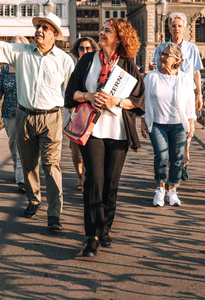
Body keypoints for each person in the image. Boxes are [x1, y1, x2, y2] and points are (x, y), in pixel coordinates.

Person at [0, 9, 74, 233]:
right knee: (29, 164)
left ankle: (54, 213)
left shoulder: (64, 61)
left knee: (51, 167)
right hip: (24, 115)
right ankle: (33, 200)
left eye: (45, 28)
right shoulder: (21, 51)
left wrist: (70, 119)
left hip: (51, 117)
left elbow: (71, 92)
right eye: (38, 27)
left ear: (55, 35)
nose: (39, 31)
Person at [65, 19, 144, 258]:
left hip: (118, 131)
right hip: (92, 130)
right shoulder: (87, 61)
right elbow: (70, 94)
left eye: (107, 31)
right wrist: (88, 95)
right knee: (93, 181)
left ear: (120, 38)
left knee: (110, 184)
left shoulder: (128, 65)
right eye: (102, 29)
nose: (100, 33)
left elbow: (138, 101)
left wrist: (115, 101)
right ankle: (92, 236)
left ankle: (105, 226)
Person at [141, 42, 196, 207]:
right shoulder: (151, 77)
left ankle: (172, 190)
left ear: (176, 59)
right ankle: (159, 188)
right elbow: (144, 101)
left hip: (178, 125)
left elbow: (190, 103)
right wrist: (143, 121)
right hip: (157, 124)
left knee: (177, 159)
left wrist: (191, 123)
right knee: (162, 157)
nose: (161, 57)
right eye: (161, 54)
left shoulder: (185, 79)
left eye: (165, 55)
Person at [150, 13, 202, 181]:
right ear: (169, 28)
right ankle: (167, 168)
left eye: (179, 26)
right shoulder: (161, 48)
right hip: (165, 95)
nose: (176, 29)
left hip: (185, 94)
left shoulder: (192, 48)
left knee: (186, 134)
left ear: (184, 28)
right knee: (166, 134)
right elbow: (156, 69)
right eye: (173, 25)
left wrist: (199, 94)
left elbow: (196, 72)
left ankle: (182, 163)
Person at [0, 36, 29, 193]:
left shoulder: (29, 67)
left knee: (22, 146)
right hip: (9, 112)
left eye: (19, 46)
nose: (16, 49)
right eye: (13, 46)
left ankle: (22, 179)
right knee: (13, 144)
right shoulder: (5, 69)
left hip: (26, 112)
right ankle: (18, 171)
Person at [68, 37, 100, 190]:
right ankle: (80, 175)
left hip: (93, 116)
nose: (85, 51)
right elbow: (66, 91)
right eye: (82, 48)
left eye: (88, 48)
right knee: (75, 152)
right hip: (75, 115)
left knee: (90, 151)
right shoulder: (72, 67)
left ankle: (87, 180)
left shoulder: (98, 68)